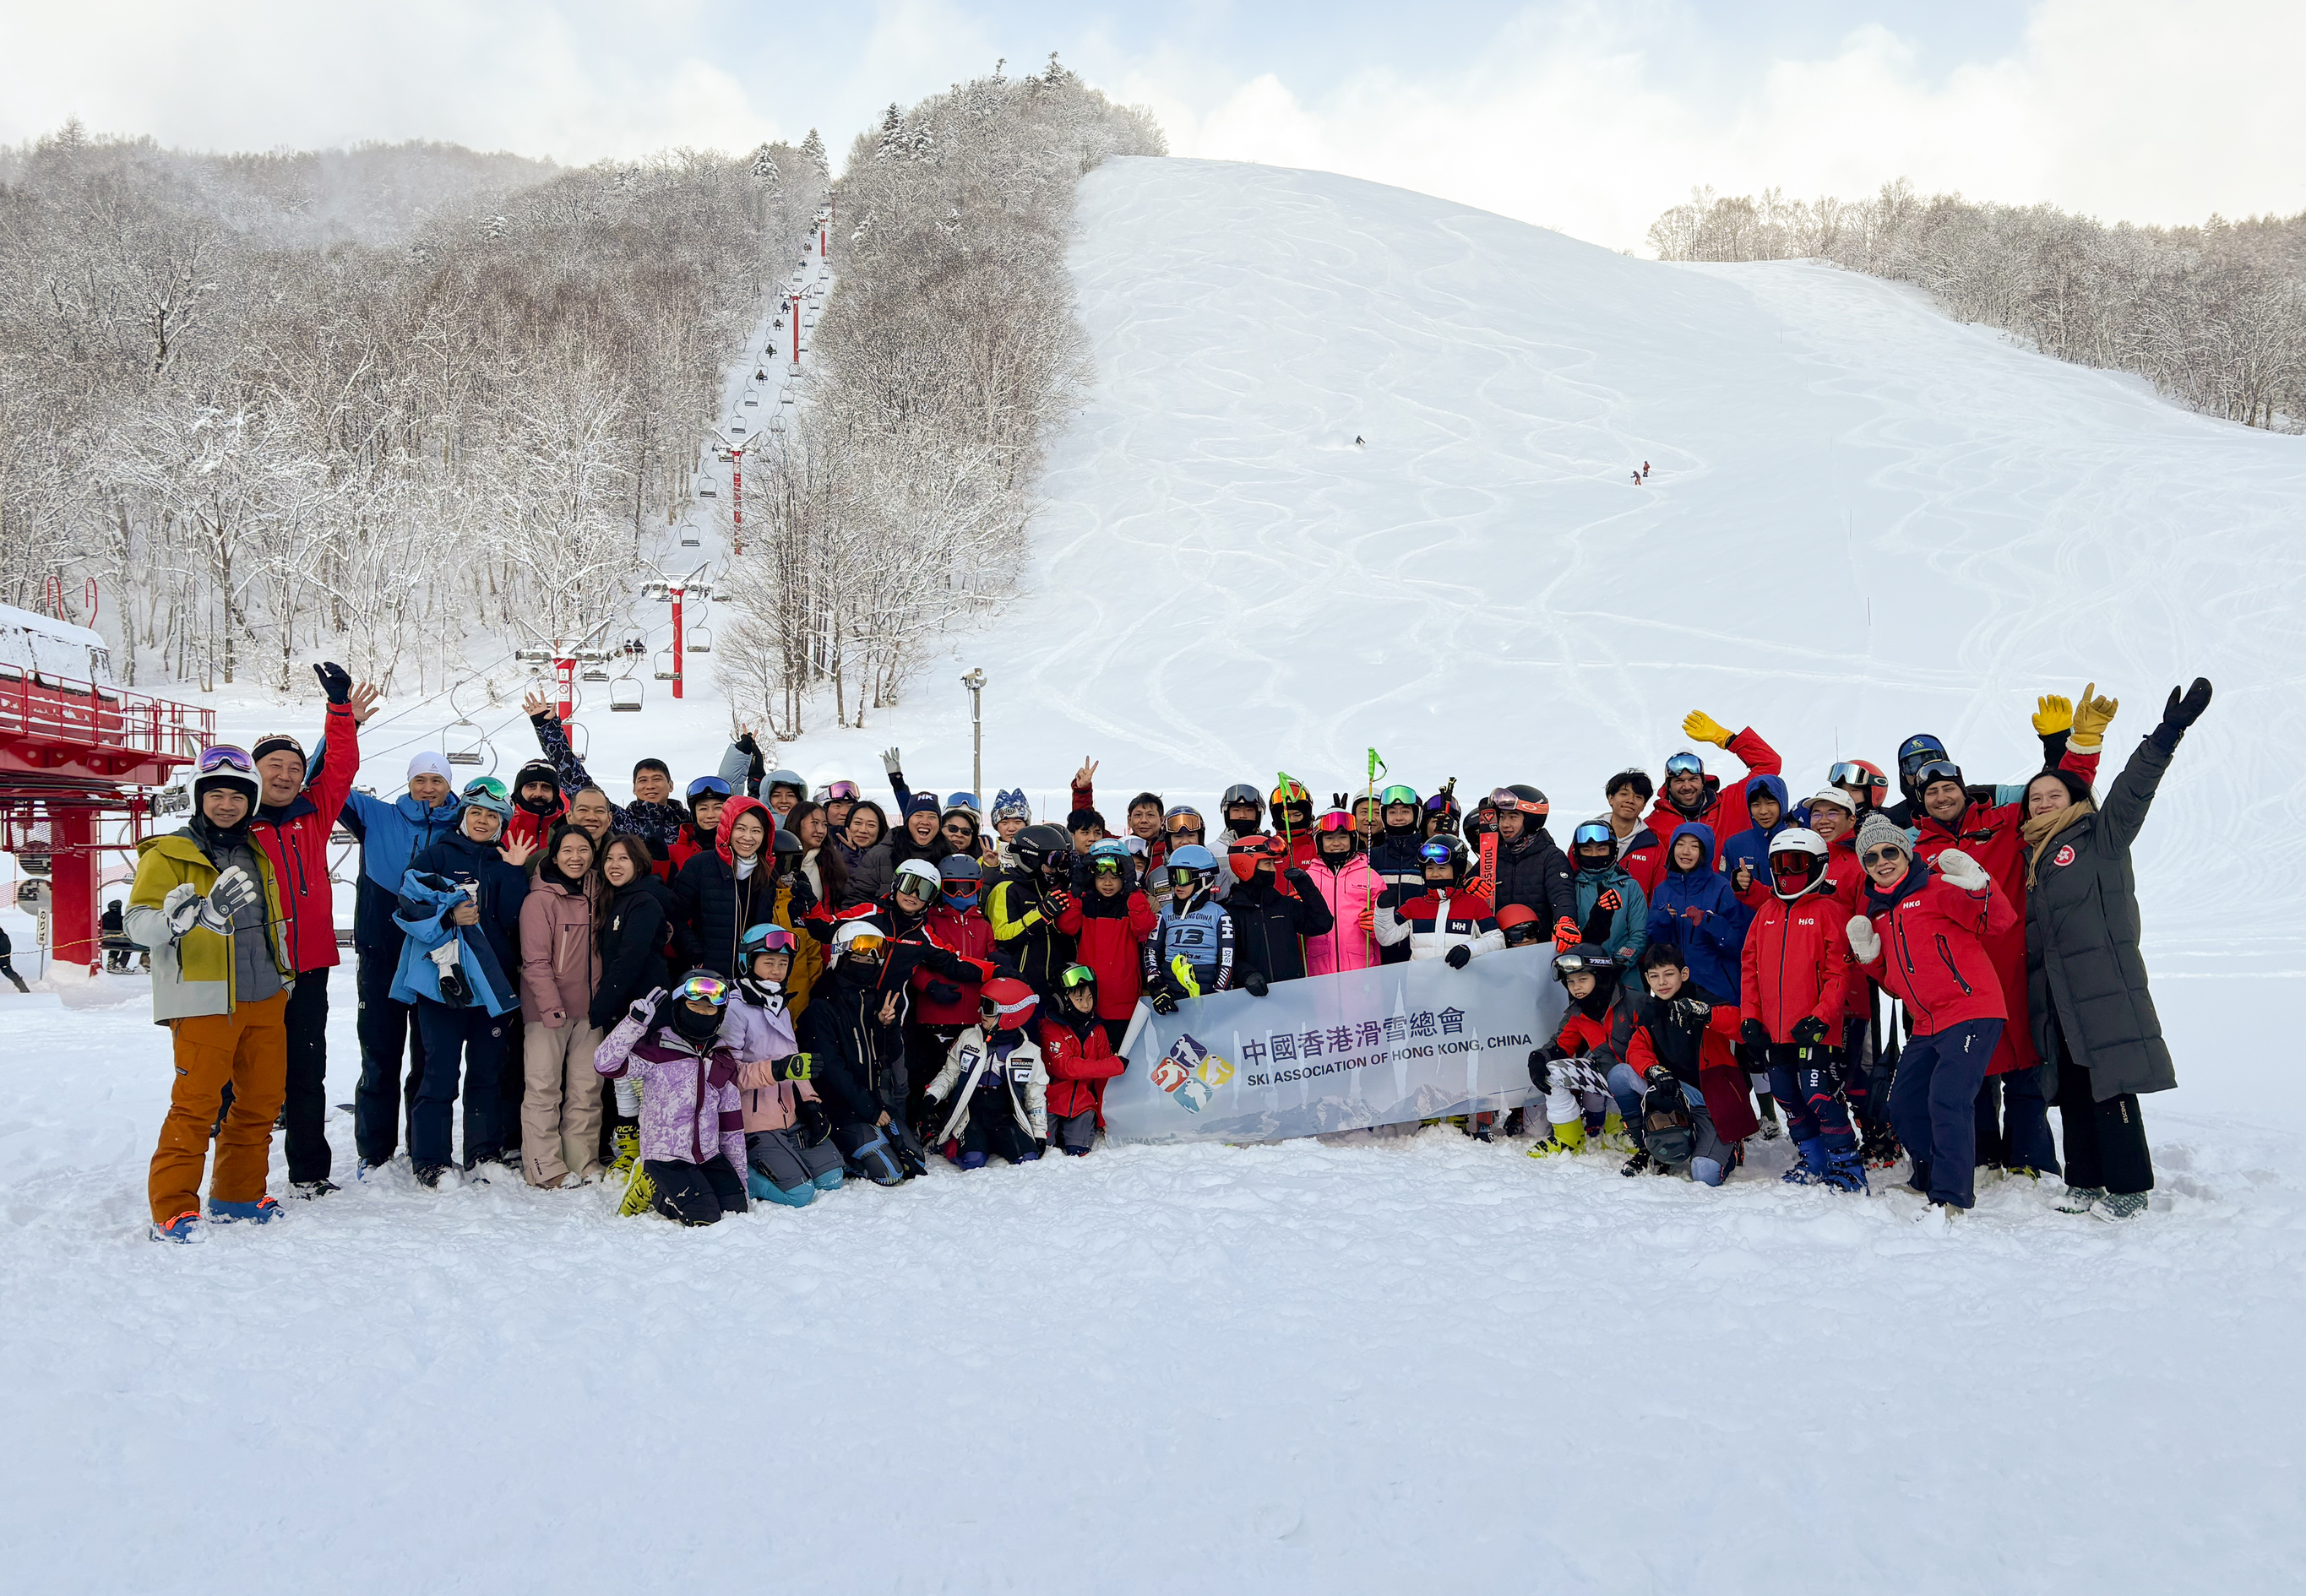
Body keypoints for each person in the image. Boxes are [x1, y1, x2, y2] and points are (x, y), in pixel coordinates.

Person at [2023, 678, 2210, 1221]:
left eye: (2053, 794)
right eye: (2035, 797)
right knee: (2075, 1089)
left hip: (2103, 983)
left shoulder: (2100, 836)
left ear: (2076, 799)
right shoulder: (2033, 855)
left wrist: (2166, 735)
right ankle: (2084, 1181)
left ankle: (2129, 1184)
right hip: (2058, 990)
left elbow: (2134, 788)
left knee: (2112, 1086)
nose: (2042, 801)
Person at [1901, 692, 2110, 1175]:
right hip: (1959, 975)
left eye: (1949, 788)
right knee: (1968, 1070)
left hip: (2016, 961)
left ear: (1962, 789)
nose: (1942, 797)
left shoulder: (2002, 822)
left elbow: (2061, 793)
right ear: (1921, 799)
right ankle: (1976, 1156)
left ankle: (2029, 1158)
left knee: (2023, 1060)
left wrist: (2069, 743)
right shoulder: (1915, 849)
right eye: (1931, 792)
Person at [128, 745, 298, 1242]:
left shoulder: (257, 850)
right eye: (217, 795)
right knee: (196, 1104)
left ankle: (238, 1194)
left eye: (238, 796)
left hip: (265, 994)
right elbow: (138, 923)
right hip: (204, 1000)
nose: (227, 805)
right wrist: (178, 920)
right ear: (200, 797)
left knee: (261, 1101)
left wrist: (285, 979)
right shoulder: (168, 854)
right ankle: (174, 1207)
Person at [243, 665, 375, 1198]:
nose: (284, 774)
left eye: (294, 767)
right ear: (254, 772)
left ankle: (309, 1171)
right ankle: (241, 1173)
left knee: (306, 1071)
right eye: (273, 765)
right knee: (246, 1073)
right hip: (254, 966)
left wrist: (340, 711)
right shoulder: (236, 822)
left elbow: (338, 766)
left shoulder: (313, 815)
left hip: (309, 963)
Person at [1844, 813, 2014, 1221]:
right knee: (1904, 1105)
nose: (1882, 861)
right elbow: (1894, 981)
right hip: (1926, 1022)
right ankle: (1927, 1175)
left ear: (1905, 852)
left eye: (1889, 852)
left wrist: (1979, 885)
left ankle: (1952, 1196)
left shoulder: (1937, 889)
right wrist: (1871, 959)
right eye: (1871, 857)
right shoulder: (1880, 912)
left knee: (1948, 1100)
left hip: (1971, 1010)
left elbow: (2000, 922)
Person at [394, 779, 534, 1186]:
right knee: (438, 1073)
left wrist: (511, 872)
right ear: (464, 815)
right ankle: (431, 1160)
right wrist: (449, 917)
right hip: (443, 985)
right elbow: (407, 906)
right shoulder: (436, 855)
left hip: (490, 989)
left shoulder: (504, 862)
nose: (483, 820)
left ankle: (483, 1153)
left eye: (492, 815)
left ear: (501, 822)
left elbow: (512, 919)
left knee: (487, 1075)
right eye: (476, 812)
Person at [338, 751, 464, 1175]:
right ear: (408, 783)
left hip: (436, 957)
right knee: (379, 1055)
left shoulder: (464, 825)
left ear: (449, 785)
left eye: (437, 781)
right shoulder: (378, 815)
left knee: (429, 1057)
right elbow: (325, 782)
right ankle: (374, 1152)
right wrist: (342, 723)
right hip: (382, 952)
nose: (429, 789)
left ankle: (422, 1146)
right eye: (420, 780)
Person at [1738, 829, 1863, 1191]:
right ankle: (1814, 1158)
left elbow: (1840, 973)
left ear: (1818, 867)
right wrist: (1750, 1016)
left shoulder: (1830, 911)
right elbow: (1750, 967)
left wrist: (1822, 1017)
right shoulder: (1766, 913)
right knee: (1785, 1095)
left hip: (1814, 1028)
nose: (1786, 872)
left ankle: (1847, 1163)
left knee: (1818, 1095)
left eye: (1796, 863)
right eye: (1779, 864)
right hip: (1776, 1030)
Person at [595, 971, 751, 1224]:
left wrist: (739, 1178)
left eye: (710, 1009)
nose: (701, 1012)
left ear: (720, 1015)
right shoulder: (657, 1049)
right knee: (705, 1217)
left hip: (708, 1156)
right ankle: (650, 1185)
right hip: (665, 1158)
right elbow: (605, 1064)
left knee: (736, 1209)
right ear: (679, 1005)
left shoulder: (720, 1058)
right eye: (694, 1005)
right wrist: (633, 1024)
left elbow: (731, 1124)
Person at [1604, 943, 1758, 1184]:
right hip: (1674, 1091)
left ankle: (1729, 1147)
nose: (1662, 982)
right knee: (1619, 1074)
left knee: (1705, 1175)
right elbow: (1637, 1048)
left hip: (1711, 1101)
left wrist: (1706, 1013)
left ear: (1684, 974)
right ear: (1647, 979)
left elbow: (1742, 1028)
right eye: (1654, 976)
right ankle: (1646, 1145)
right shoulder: (1651, 1008)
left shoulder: (1703, 999)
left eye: (1669, 974)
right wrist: (1654, 1071)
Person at [724, 925, 846, 1207]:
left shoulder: (781, 1004)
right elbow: (729, 1074)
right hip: (754, 1123)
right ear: (747, 962)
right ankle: (744, 1175)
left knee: (831, 1179)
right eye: (768, 962)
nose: (777, 970)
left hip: (790, 1117)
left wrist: (811, 1105)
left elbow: (795, 1062)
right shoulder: (735, 1008)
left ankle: (789, 1159)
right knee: (799, 1194)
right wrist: (776, 1070)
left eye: (783, 963)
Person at [517, 822, 606, 1188]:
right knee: (543, 1088)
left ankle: (582, 1161)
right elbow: (534, 961)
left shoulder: (602, 893)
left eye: (583, 850)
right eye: (567, 850)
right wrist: (551, 1006)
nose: (576, 857)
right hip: (547, 1011)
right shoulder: (540, 899)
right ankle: (544, 1166)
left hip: (592, 1011)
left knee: (587, 1090)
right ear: (555, 855)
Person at [802, 918, 919, 1186]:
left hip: (873, 1104)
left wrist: (887, 1027)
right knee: (891, 1173)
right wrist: (869, 1110)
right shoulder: (822, 1007)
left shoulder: (873, 1001)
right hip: (841, 1110)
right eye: (860, 953)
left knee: (916, 1162)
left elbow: (888, 1056)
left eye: (874, 955)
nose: (867, 960)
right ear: (841, 954)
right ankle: (845, 1155)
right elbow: (831, 1070)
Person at [590, 833, 676, 1175]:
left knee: (645, 1083)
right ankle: (629, 1149)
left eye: (623, 858)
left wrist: (601, 1006)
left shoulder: (643, 901)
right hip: (623, 1005)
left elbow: (631, 958)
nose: (614, 865)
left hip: (645, 1008)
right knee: (623, 1082)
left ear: (639, 863)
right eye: (610, 858)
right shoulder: (616, 899)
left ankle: (653, 1152)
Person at [519, 692, 688, 860]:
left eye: (657, 779)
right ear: (634, 789)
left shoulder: (689, 823)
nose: (650, 786)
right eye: (643, 781)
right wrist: (547, 727)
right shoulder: (622, 821)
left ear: (671, 785)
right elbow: (575, 780)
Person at [919, 976, 1048, 1170]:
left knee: (1028, 1158)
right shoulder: (969, 1038)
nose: (981, 1013)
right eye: (982, 1004)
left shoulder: (1029, 1052)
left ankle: (994, 1142)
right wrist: (934, 1094)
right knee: (973, 1161)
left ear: (1009, 1015)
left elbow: (1035, 1095)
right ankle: (958, 1142)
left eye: (989, 1008)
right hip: (972, 1112)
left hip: (1004, 1115)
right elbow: (951, 1072)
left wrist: (1038, 1132)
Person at [908, 854, 1000, 1119]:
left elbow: (989, 962)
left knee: (966, 1071)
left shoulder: (983, 925)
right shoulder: (930, 921)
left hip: (972, 1015)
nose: (960, 894)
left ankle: (961, 1119)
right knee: (932, 1070)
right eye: (951, 888)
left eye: (967, 887)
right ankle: (926, 1120)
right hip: (935, 1013)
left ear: (979, 887)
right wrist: (930, 986)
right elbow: (915, 962)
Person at [1642, 711, 1782, 873]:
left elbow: (1770, 764)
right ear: (1668, 785)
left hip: (1736, 896)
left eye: (1693, 779)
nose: (1687, 786)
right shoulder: (1654, 824)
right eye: (1679, 781)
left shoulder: (1731, 803)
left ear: (1703, 780)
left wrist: (1725, 738)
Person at [1526, 945, 1627, 1157]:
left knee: (1625, 1071)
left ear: (1600, 976)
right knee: (1551, 1070)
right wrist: (1538, 1057)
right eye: (1570, 982)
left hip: (1639, 1079)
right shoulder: (1579, 1012)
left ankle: (1619, 1132)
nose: (1576, 987)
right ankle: (1568, 1138)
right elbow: (1561, 1045)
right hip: (1606, 1074)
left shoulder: (1634, 1003)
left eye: (1582, 979)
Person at [1056, 838, 1156, 1045]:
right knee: (1093, 1056)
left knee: (1122, 1057)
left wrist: (1134, 891)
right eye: (1101, 876)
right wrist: (1075, 891)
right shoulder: (1084, 901)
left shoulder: (1132, 900)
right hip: (1088, 999)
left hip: (1123, 1001)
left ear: (1125, 876)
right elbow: (1067, 926)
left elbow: (1145, 925)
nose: (1107, 883)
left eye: (1115, 876)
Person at [672, 795, 781, 976]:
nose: (748, 837)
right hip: (707, 973)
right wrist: (694, 954)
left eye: (756, 830)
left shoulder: (767, 873)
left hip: (750, 976)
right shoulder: (700, 865)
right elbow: (675, 915)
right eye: (740, 828)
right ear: (727, 828)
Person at [1642, 823, 1750, 1006]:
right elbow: (1655, 944)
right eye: (1680, 844)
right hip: (1674, 989)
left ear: (1705, 851)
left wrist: (1709, 921)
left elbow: (1738, 944)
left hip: (1716, 988)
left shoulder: (1722, 887)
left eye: (1694, 846)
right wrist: (1663, 920)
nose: (1686, 851)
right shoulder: (1662, 890)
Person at [1222, 833, 1335, 991]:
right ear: (1245, 865)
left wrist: (1305, 885)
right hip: (1253, 1000)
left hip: (1293, 998)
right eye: (1268, 863)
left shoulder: (1284, 905)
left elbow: (1322, 924)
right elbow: (1226, 956)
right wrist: (1246, 975)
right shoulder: (1229, 913)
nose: (1273, 869)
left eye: (1274, 864)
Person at [1373, 835, 1502, 966]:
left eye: (1442, 868)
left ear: (1457, 870)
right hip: (1420, 984)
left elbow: (1497, 941)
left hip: (1459, 983)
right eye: (1430, 868)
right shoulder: (1414, 906)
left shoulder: (1475, 906)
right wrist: (1383, 910)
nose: (1435, 874)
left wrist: (1470, 949)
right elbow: (1387, 937)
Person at [1041, 964, 1125, 1154]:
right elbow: (1067, 1067)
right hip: (1049, 1102)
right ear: (1062, 1000)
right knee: (1043, 1150)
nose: (1086, 1004)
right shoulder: (1050, 1028)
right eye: (1079, 999)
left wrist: (1104, 1118)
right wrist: (1111, 1065)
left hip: (1082, 1104)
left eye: (1089, 997)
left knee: (1078, 1151)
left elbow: (1103, 1081)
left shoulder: (1098, 1030)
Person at [986, 822, 1078, 993]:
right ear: (1032, 859)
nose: (1054, 869)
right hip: (1022, 984)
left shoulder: (1049, 889)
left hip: (1054, 984)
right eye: (1052, 861)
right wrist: (1041, 914)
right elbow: (1000, 935)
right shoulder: (1006, 888)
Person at [1487, 785, 1577, 950]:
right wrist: (1468, 886)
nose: (1505, 824)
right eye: (1502, 817)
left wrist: (1566, 919)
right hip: (1497, 950)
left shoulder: (1550, 856)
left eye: (1513, 817)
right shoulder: (1492, 856)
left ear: (1530, 820)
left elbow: (1561, 892)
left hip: (1537, 948)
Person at [1145, 844, 1233, 1009]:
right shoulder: (1164, 913)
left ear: (1204, 879)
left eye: (1183, 877)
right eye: (1173, 876)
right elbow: (1151, 952)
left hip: (1206, 996)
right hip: (1170, 996)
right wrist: (1157, 987)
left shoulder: (1219, 915)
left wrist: (1219, 993)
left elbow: (1227, 960)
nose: (1177, 884)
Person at [1301, 808, 1383, 976]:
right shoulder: (1308, 878)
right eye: (1329, 838)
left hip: (1362, 969)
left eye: (1343, 837)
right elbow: (1297, 924)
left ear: (1352, 840)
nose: (1336, 843)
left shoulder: (1370, 876)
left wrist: (1377, 925)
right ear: (1319, 842)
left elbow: (1385, 923)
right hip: (1318, 968)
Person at [1564, 820, 1646, 967]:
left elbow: (1640, 934)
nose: (1594, 855)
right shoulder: (1570, 887)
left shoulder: (1629, 886)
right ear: (1578, 853)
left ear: (1612, 850)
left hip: (1623, 974)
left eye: (1601, 849)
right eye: (1587, 850)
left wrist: (1620, 961)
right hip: (1580, 974)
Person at [1365, 784, 1426, 964]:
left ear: (1416, 815)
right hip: (1379, 946)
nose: (1399, 818)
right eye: (1392, 812)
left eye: (1405, 811)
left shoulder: (1427, 855)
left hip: (1419, 945)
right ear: (1384, 816)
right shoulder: (1371, 856)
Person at [1598, 770, 1666, 888]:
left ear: (1644, 805)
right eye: (1624, 794)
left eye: (1638, 797)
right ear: (1611, 799)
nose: (1630, 800)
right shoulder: (1588, 836)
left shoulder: (1654, 847)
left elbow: (1659, 894)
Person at [666, 776, 731, 877]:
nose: (710, 815)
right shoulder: (674, 853)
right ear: (694, 813)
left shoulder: (740, 848)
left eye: (718, 807)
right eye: (703, 808)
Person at [835, 799, 894, 907]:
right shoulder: (832, 854)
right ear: (848, 825)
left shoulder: (889, 859)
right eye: (857, 823)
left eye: (871, 825)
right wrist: (851, 855)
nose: (863, 830)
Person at [504, 756, 566, 854]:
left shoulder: (567, 829)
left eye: (546, 787)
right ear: (519, 791)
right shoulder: (501, 826)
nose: (538, 794)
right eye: (531, 786)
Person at [1215, 783, 1264, 847]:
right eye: (1236, 810)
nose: (1242, 815)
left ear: (1258, 814)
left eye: (1249, 810)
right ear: (1227, 814)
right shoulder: (1213, 852)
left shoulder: (1271, 849)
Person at [101, 898, 129, 971]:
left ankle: (111, 962)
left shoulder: (104, 917)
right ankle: (121, 964)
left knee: (115, 944)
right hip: (121, 943)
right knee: (127, 947)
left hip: (106, 942)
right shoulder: (121, 919)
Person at [0, 921, 28, 993]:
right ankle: (23, 987)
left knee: (7, 970)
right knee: (7, 970)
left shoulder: (2, 937)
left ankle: (23, 987)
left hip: (2, 954)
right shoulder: (4, 935)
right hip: (5, 955)